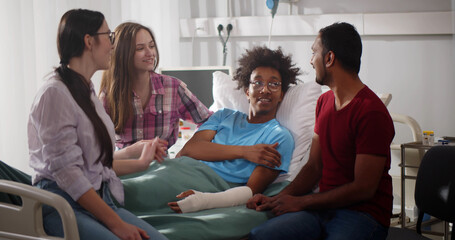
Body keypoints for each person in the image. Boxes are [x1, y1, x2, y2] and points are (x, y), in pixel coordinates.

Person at [28, 9, 168, 240]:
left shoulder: (86, 91)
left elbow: (94, 166)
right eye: (109, 36)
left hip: (97, 200)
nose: (113, 45)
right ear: (89, 41)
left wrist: (141, 161)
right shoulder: (55, 94)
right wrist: (116, 225)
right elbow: (68, 174)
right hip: (64, 205)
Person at [247, 22, 395, 240]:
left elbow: (363, 188)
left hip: (362, 215)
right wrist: (279, 198)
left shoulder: (371, 111)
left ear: (329, 58)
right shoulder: (324, 102)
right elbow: (314, 166)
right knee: (262, 235)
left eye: (314, 52)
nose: (311, 60)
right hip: (321, 209)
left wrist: (302, 202)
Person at [167, 46, 299, 213]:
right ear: (247, 92)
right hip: (179, 169)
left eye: (273, 84)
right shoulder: (223, 116)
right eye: (258, 82)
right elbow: (189, 149)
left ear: (281, 94)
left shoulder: (279, 137)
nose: (265, 89)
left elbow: (249, 192)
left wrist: (204, 199)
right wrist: (245, 152)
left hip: (210, 185)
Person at [99, 22, 212, 149]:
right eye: (140, 48)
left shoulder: (173, 87)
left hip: (163, 167)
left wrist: (192, 147)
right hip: (124, 166)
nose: (150, 53)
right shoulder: (108, 96)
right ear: (123, 54)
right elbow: (98, 146)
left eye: (151, 46)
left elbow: (209, 121)